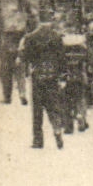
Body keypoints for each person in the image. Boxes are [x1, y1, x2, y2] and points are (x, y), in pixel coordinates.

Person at [19, 9, 68, 149]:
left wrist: (27, 70)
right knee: (53, 105)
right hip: (52, 75)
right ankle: (57, 129)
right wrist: (63, 76)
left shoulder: (31, 37)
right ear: (50, 20)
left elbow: (25, 57)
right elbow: (62, 58)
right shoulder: (56, 37)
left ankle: (38, 140)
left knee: (37, 109)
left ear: (39, 20)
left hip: (38, 75)